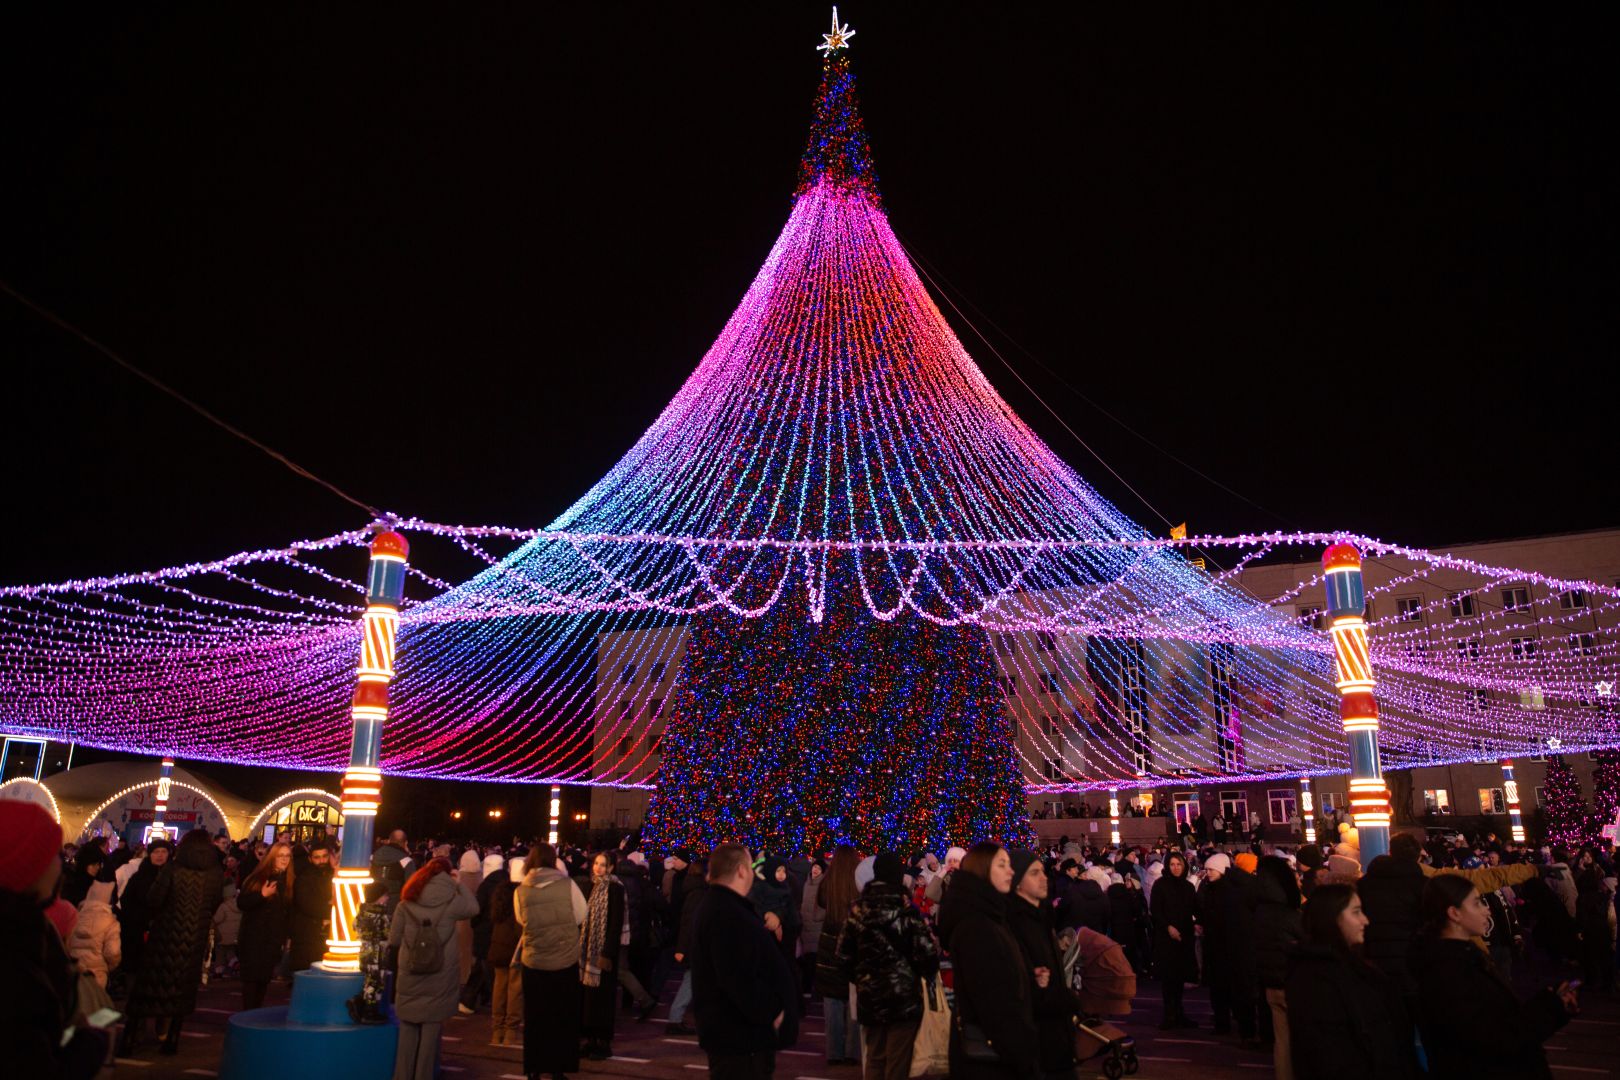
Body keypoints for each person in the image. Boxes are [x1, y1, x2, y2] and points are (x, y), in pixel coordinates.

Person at [1412, 873, 1577, 1078]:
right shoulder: (1447, 970)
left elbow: (1498, 1020)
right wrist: (1550, 1009)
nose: (1487, 909)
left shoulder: (1462, 958)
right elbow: (1493, 1038)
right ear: (1454, 913)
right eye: (1477, 903)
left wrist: (1550, 1002)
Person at [0, 800, 108, 1078]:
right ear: (28, 867)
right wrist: (88, 1046)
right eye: (53, 855)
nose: (61, 866)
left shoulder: (31, 930)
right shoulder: (16, 952)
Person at [1284, 883, 1416, 1077]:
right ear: (1331, 917)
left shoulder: (1351, 965)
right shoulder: (1317, 979)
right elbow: (1329, 1054)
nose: (1365, 920)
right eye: (1356, 912)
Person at [691, 843, 796, 1080]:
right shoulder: (727, 912)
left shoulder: (722, 906)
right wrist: (773, 1012)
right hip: (741, 1039)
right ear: (740, 870)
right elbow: (737, 977)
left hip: (736, 1036)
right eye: (750, 867)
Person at [935, 842, 1039, 1080]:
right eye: (1001, 865)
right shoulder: (978, 926)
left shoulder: (991, 916)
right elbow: (991, 1000)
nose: (1010, 871)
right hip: (991, 1058)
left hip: (994, 1052)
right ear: (983, 870)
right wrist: (1020, 1052)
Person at [120, 829, 225, 1055]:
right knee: (182, 990)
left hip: (165, 934)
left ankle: (129, 1040)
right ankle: (171, 1039)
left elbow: (154, 898)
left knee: (148, 988)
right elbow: (215, 902)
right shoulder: (215, 873)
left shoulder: (174, 868)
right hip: (194, 936)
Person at [836, 852, 939, 1080]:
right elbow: (928, 957)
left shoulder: (858, 910)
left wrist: (864, 978)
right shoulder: (907, 911)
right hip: (904, 1000)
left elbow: (843, 957)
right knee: (898, 1063)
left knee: (874, 1058)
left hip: (870, 998)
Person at [388, 856, 479, 1080]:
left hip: (410, 972)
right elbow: (474, 908)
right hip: (440, 974)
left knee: (408, 1030)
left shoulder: (406, 901)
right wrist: (458, 885)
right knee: (430, 1032)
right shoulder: (452, 901)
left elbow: (394, 939)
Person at [1001, 849, 1078, 1080]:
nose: (1043, 878)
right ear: (1017, 882)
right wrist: (1066, 999)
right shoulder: (1015, 923)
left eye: (1043, 872)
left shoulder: (1042, 917)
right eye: (1034, 873)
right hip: (1039, 1035)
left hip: (1057, 1031)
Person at [516, 842, 588, 1080]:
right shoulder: (568, 885)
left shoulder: (521, 889)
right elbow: (581, 914)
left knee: (536, 1016)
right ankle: (558, 1068)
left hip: (534, 959)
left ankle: (534, 1068)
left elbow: (521, 918)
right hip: (564, 959)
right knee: (562, 1016)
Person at [1252, 856, 1304, 1080]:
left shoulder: (1258, 909)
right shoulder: (1287, 913)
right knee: (1300, 1038)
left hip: (1270, 981)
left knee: (1282, 1040)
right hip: (1294, 981)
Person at [814, 845, 863, 1066]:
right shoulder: (859, 881)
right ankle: (853, 1051)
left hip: (829, 941)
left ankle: (834, 1051)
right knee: (853, 998)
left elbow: (822, 901)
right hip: (853, 941)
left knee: (832, 1000)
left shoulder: (828, 880)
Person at [236, 840, 295, 1010]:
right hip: (254, 938)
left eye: (287, 856)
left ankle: (252, 1018)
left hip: (272, 939)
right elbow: (242, 903)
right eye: (280, 856)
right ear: (272, 858)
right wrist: (262, 895)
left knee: (262, 983)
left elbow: (286, 911)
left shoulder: (288, 881)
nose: (284, 860)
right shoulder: (258, 877)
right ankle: (247, 1021)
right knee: (251, 984)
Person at [580, 851, 627, 1060]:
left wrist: (607, 952)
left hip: (604, 952)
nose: (598, 867)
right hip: (588, 949)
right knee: (589, 998)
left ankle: (603, 1042)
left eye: (603, 864)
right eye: (596, 863)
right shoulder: (591, 886)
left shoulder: (615, 888)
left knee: (604, 998)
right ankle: (589, 1039)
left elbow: (616, 923)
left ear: (611, 868)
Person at [1149, 850, 1197, 1030]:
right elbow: (1155, 909)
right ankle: (1169, 1014)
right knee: (1169, 978)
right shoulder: (1160, 885)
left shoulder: (1188, 887)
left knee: (1179, 977)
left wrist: (1198, 922)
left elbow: (1194, 908)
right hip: (1166, 937)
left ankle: (1179, 1012)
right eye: (1172, 864)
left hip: (1184, 936)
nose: (1176, 868)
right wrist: (1167, 926)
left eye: (1179, 864)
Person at [118, 836, 171, 986]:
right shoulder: (139, 876)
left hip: (164, 929)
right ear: (150, 854)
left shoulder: (173, 876)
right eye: (156, 852)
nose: (160, 855)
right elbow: (126, 900)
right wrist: (140, 918)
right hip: (138, 929)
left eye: (163, 851)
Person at [483, 854, 524, 1046]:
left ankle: (496, 1030)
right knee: (515, 989)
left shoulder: (500, 893)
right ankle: (510, 1031)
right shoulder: (523, 894)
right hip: (515, 947)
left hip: (498, 945)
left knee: (499, 988)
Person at [666, 857, 708, 1037]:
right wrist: (681, 948)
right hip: (696, 947)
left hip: (694, 946)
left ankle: (679, 1018)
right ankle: (675, 1018)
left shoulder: (695, 891)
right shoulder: (699, 893)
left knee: (694, 983)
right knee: (691, 983)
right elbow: (688, 922)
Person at [290, 838, 334, 973]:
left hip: (323, 932)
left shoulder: (332, 874)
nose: (321, 861)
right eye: (317, 857)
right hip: (308, 934)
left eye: (324, 856)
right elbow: (308, 905)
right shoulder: (304, 878)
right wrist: (330, 909)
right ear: (310, 859)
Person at [68, 879, 122, 988]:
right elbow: (113, 952)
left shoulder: (76, 918)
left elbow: (67, 943)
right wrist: (108, 967)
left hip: (74, 973)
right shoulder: (110, 922)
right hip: (97, 975)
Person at [1575, 867, 1616, 992]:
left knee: (1592, 957)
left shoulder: (1585, 898)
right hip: (1603, 931)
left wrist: (1581, 929)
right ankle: (1607, 983)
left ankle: (1594, 981)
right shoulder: (1604, 898)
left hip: (1593, 931)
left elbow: (1582, 915)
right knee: (1604, 959)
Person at [798, 859, 826, 1001]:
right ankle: (808, 988)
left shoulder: (823, 885)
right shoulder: (806, 883)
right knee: (806, 958)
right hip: (805, 926)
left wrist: (816, 917)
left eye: (818, 868)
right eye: (814, 867)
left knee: (813, 959)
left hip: (816, 927)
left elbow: (823, 906)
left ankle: (811, 989)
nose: (815, 870)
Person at [370, 828, 414, 913]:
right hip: (396, 909)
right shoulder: (406, 861)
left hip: (372, 905)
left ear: (389, 840)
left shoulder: (373, 856)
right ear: (405, 843)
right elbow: (411, 889)